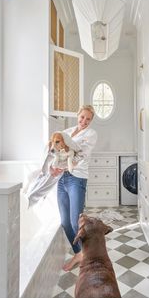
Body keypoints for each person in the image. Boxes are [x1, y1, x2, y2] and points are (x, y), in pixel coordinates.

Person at [50, 105, 97, 271]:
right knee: (65, 222)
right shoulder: (67, 132)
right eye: (82, 117)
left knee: (75, 221)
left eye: (88, 119)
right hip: (63, 179)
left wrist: (64, 164)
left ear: (91, 121)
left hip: (77, 179)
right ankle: (79, 253)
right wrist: (53, 168)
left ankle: (86, 255)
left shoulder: (91, 134)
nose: (84, 121)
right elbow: (57, 151)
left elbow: (81, 154)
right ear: (77, 115)